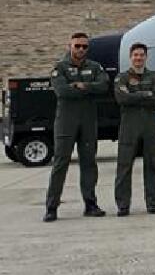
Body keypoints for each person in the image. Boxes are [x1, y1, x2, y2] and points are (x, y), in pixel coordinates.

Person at [44, 32, 110, 221]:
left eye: (84, 46)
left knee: (89, 163)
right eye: (77, 46)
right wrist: (88, 88)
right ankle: (51, 207)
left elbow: (104, 85)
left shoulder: (95, 66)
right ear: (70, 46)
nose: (81, 49)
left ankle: (90, 204)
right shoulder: (60, 67)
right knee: (60, 163)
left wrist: (83, 86)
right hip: (66, 121)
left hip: (88, 121)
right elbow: (62, 91)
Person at [113, 41, 155, 216]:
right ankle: (123, 205)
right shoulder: (122, 77)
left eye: (141, 55)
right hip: (129, 123)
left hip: (150, 123)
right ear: (130, 57)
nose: (138, 58)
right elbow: (122, 98)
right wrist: (145, 94)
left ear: (146, 57)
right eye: (135, 55)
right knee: (124, 165)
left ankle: (152, 202)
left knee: (153, 164)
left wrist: (134, 95)